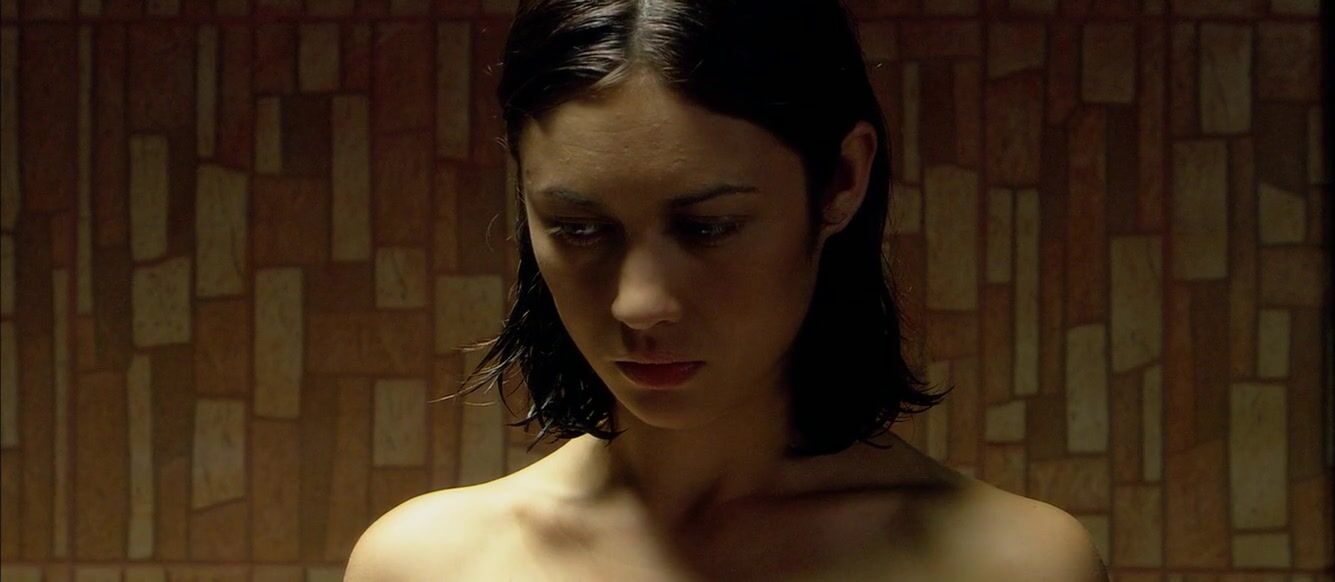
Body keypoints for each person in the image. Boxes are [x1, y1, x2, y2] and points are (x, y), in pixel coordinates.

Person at [346, 1, 1108, 580]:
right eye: (578, 229)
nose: (639, 304)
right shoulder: (426, 564)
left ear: (841, 180)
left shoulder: (1012, 565)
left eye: (708, 227)